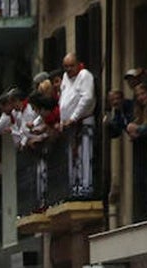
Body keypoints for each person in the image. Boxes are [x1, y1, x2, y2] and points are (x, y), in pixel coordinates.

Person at [58, 52, 97, 197]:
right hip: (69, 126)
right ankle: (75, 186)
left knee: (84, 155)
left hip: (83, 123)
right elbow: (63, 100)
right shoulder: (65, 78)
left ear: (78, 64)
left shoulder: (84, 75)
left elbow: (86, 98)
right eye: (65, 67)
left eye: (71, 66)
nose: (68, 69)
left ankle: (85, 186)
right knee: (73, 157)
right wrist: (62, 121)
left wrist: (73, 118)